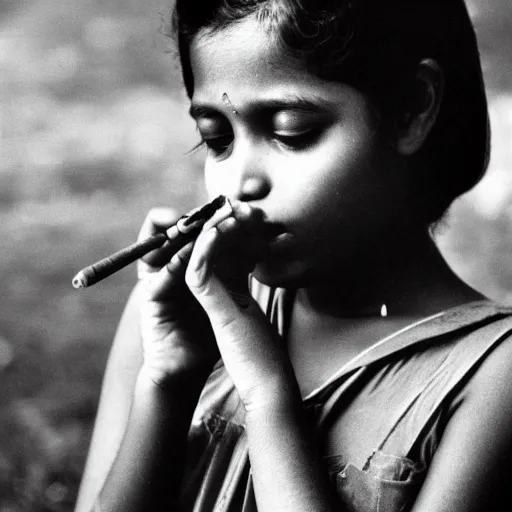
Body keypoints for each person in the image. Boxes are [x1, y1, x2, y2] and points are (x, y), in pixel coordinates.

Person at [74, 1, 512, 511]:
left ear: (412, 106)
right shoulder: (180, 316)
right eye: (215, 139)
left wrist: (266, 395)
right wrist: (167, 382)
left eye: (291, 132)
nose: (240, 181)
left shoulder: (492, 381)